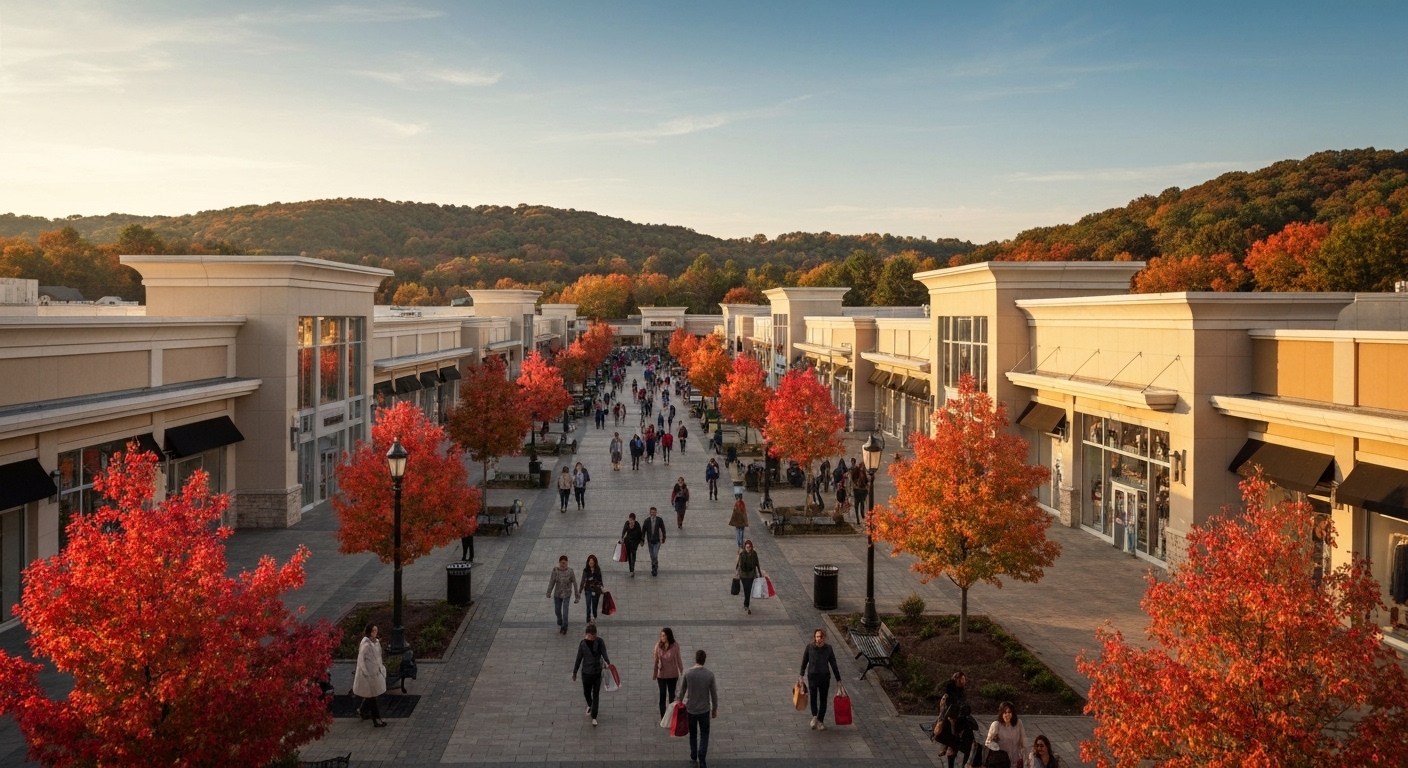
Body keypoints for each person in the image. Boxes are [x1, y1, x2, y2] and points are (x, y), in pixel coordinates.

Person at [675, 649, 718, 768]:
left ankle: (694, 755)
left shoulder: (688, 673)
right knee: (704, 733)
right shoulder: (709, 675)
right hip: (704, 709)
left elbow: (682, 689)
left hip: (691, 709)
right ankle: (702, 756)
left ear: (696, 659)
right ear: (704, 660)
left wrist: (679, 701)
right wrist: (714, 708)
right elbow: (714, 693)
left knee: (693, 733)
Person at [800, 628, 843, 730]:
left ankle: (820, 720)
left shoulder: (828, 649)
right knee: (813, 697)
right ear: (814, 638)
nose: (818, 639)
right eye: (817, 637)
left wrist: (838, 679)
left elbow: (833, 664)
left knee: (823, 699)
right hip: (813, 676)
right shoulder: (809, 647)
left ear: (824, 638)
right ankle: (814, 715)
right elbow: (804, 661)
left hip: (824, 677)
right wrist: (801, 675)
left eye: (820, 637)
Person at [571, 623, 611, 727]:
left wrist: (608, 662)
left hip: (597, 672)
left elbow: (604, 653)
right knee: (586, 692)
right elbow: (579, 658)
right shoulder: (583, 644)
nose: (589, 638)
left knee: (596, 693)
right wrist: (574, 671)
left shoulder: (600, 642)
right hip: (586, 673)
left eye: (591, 636)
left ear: (595, 635)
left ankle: (594, 715)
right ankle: (590, 704)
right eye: (588, 636)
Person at [353, 624, 388, 727]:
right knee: (372, 697)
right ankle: (376, 720)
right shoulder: (366, 645)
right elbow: (361, 659)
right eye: (373, 630)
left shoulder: (376, 643)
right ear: (369, 631)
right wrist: (365, 672)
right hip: (368, 675)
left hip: (376, 672)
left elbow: (379, 657)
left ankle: (362, 710)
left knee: (372, 695)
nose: (375, 632)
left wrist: (381, 668)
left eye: (376, 630)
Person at [932, 703, 978, 768]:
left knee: (960, 751)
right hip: (956, 740)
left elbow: (956, 733)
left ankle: (959, 763)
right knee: (953, 752)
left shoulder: (964, 720)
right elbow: (951, 734)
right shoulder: (953, 719)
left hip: (961, 740)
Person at [985, 701, 1028, 768]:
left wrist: (1025, 758)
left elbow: (1023, 741)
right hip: (1002, 760)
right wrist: (998, 749)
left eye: (1009, 712)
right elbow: (988, 742)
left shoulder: (1018, 723)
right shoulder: (996, 725)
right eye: (1005, 712)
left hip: (1015, 758)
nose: (1007, 715)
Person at [653, 627, 684, 719]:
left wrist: (681, 670)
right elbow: (656, 660)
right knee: (662, 695)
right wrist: (655, 673)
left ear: (668, 636)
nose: (661, 637)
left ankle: (671, 716)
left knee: (672, 696)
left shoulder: (675, 646)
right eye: (661, 635)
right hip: (661, 675)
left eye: (663, 635)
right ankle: (663, 717)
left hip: (672, 675)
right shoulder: (658, 646)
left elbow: (678, 658)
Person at [546, 555, 578, 635]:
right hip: (557, 594)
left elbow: (574, 583)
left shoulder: (570, 571)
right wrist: (549, 592)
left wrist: (576, 595)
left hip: (566, 594)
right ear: (559, 563)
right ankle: (560, 621)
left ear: (567, 562)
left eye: (564, 563)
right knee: (557, 611)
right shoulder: (555, 571)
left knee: (565, 611)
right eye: (561, 563)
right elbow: (552, 581)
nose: (563, 564)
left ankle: (564, 627)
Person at [735, 540, 761, 615]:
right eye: (747, 547)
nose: (748, 549)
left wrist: (759, 572)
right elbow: (740, 565)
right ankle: (746, 604)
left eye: (749, 547)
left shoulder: (754, 553)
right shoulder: (742, 554)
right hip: (743, 575)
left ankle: (746, 605)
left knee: (748, 590)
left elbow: (757, 563)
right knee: (746, 589)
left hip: (751, 575)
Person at [643, 506, 667, 576]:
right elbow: (643, 530)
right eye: (651, 512)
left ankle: (654, 569)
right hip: (650, 541)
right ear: (650, 513)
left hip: (657, 541)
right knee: (652, 555)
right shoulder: (647, 521)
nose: (653, 514)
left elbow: (663, 528)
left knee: (655, 554)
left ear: (656, 512)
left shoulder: (659, 520)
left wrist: (664, 537)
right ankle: (654, 564)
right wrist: (642, 538)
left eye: (654, 512)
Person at [580, 554, 604, 623]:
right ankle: (588, 619)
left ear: (595, 562)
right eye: (590, 561)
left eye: (592, 561)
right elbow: (583, 580)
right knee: (588, 605)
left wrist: (602, 588)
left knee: (594, 605)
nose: (591, 563)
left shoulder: (597, 570)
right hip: (588, 590)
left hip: (596, 590)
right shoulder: (586, 570)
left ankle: (594, 616)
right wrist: (579, 591)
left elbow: (600, 580)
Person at [620, 512, 645, 577]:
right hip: (627, 543)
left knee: (633, 556)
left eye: (632, 520)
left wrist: (641, 541)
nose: (630, 521)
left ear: (634, 519)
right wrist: (622, 538)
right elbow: (624, 531)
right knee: (629, 556)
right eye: (630, 519)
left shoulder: (637, 525)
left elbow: (640, 534)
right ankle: (631, 568)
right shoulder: (627, 523)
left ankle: (632, 570)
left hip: (634, 544)